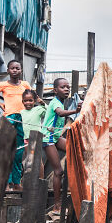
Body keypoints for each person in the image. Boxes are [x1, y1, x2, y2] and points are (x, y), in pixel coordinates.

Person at [0, 59, 32, 190]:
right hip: (9, 118)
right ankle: (6, 183)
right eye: (12, 68)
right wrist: (0, 104)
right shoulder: (3, 85)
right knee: (6, 151)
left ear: (21, 70)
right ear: (8, 70)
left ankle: (16, 183)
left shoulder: (25, 84)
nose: (15, 70)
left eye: (17, 68)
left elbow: (32, 98)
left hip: (22, 118)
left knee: (18, 153)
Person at [43, 78, 81, 213]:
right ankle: (56, 204)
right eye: (63, 87)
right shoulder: (55, 103)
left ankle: (76, 190)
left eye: (68, 87)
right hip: (48, 139)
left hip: (56, 137)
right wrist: (75, 111)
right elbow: (60, 113)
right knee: (58, 171)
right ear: (55, 90)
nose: (66, 89)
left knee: (76, 150)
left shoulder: (61, 102)